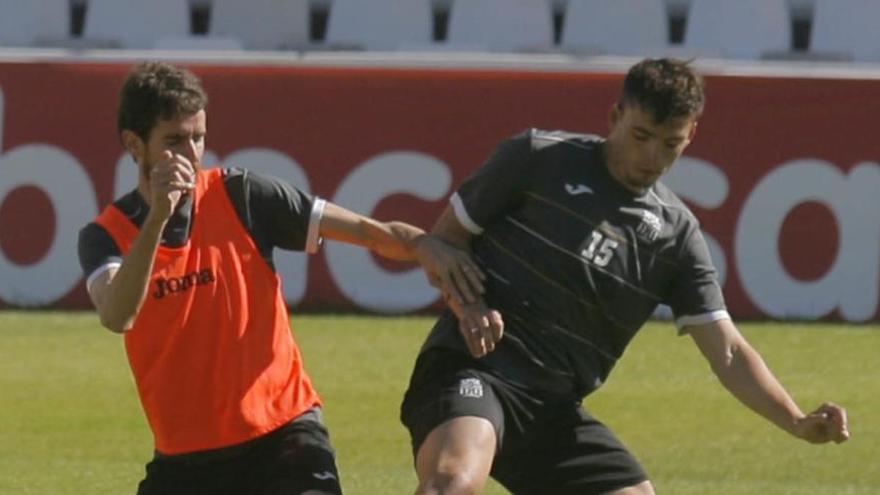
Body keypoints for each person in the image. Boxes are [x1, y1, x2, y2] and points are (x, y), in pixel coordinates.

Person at [399, 58, 850, 495]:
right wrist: (470, 306)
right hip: (473, 368)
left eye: (670, 143)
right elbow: (445, 243)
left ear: (691, 135)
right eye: (641, 136)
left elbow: (728, 351)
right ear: (615, 116)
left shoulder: (676, 236)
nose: (652, 157)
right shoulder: (539, 158)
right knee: (453, 482)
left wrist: (794, 419)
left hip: (551, 408)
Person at [77, 61, 483, 495]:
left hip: (283, 434)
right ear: (134, 145)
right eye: (174, 141)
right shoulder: (105, 236)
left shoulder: (245, 197)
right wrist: (158, 218)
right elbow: (118, 314)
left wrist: (424, 246)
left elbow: (369, 233)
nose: (192, 154)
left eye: (198, 137)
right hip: (187, 459)